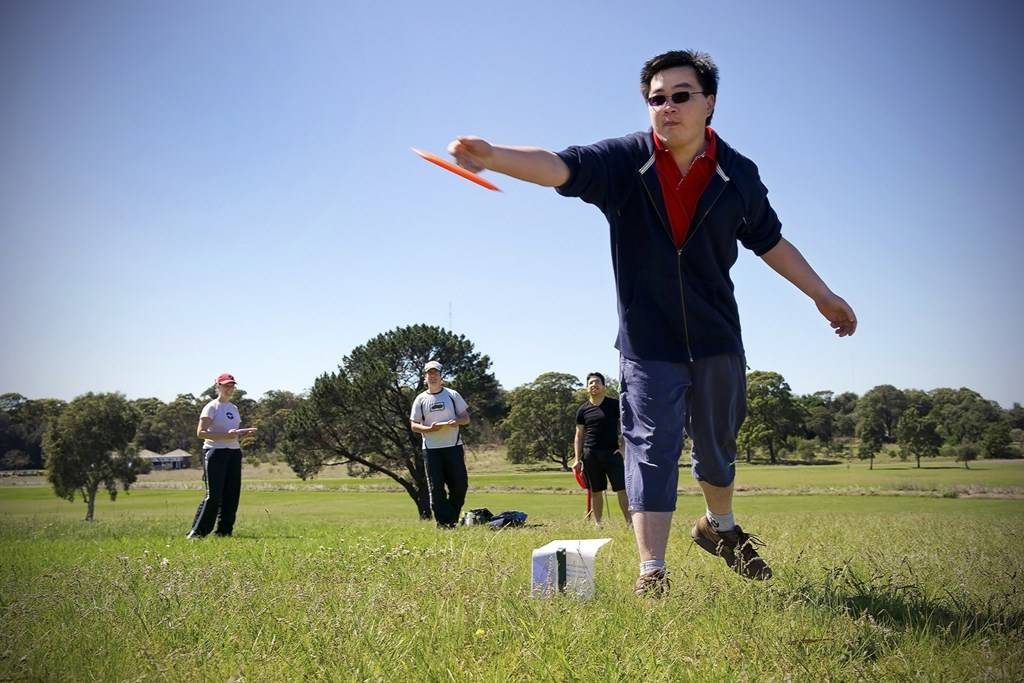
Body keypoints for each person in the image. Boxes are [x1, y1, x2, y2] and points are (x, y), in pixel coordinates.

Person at [448, 50, 857, 596]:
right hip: (647, 342)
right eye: (656, 99)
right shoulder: (625, 161)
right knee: (650, 449)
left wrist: (822, 295)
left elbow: (770, 241)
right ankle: (652, 572)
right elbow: (559, 166)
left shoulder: (738, 174)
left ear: (709, 103)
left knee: (717, 448)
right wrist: (493, 155)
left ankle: (720, 528)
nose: (666, 107)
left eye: (680, 96)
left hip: (716, 337)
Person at [187, 373, 257, 538]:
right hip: (215, 453)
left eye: (232, 385)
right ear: (217, 386)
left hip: (233, 452)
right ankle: (197, 533)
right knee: (214, 495)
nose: (229, 388)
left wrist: (241, 434)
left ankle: (224, 532)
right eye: (225, 385)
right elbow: (201, 433)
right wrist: (227, 435)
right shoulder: (211, 407)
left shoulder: (233, 408)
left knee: (232, 494)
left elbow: (232, 433)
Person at [409, 360, 471, 528]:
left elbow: (466, 418)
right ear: (425, 377)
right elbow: (414, 425)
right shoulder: (420, 399)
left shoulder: (452, 395)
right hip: (431, 450)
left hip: (454, 447)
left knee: (460, 485)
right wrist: (428, 429)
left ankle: (450, 517)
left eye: (435, 373)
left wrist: (456, 422)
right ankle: (444, 524)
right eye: (429, 373)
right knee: (436, 489)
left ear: (441, 376)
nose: (433, 376)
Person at [573, 372, 630, 526]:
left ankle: (630, 523)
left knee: (622, 489)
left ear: (604, 386)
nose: (594, 385)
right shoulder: (582, 410)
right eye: (590, 383)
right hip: (590, 454)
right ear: (586, 388)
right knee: (596, 491)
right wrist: (577, 459)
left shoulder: (614, 405)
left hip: (613, 453)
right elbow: (579, 436)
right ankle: (598, 524)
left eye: (597, 382)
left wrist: (623, 449)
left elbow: (627, 427)